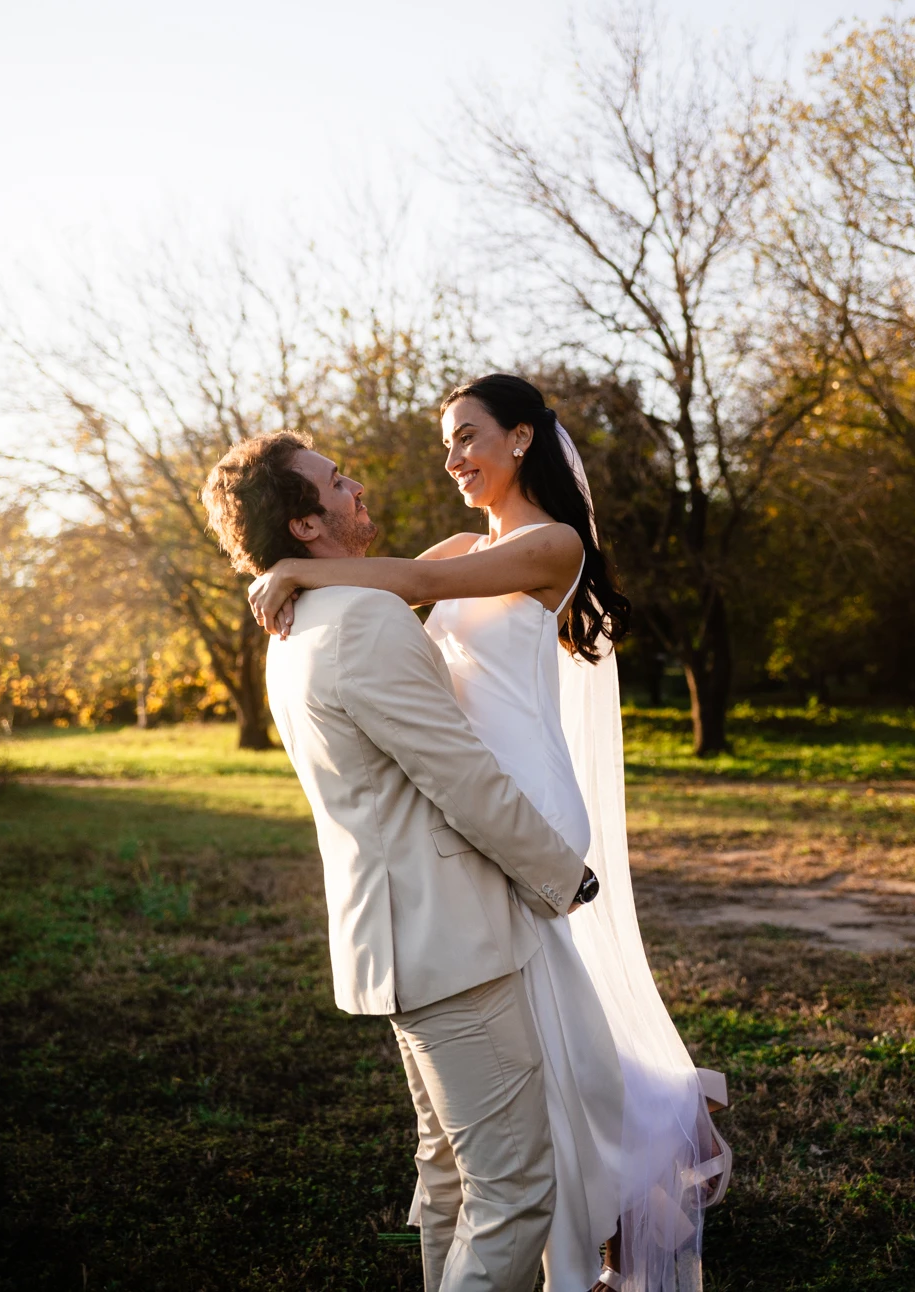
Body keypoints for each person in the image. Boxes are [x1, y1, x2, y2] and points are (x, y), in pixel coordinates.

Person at [248, 375, 731, 1292]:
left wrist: (301, 568)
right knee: (547, 1038)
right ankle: (592, 1193)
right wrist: (302, 576)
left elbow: (418, 584)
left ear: (520, 439)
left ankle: (624, 1167)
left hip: (529, 801)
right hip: (484, 798)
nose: (453, 457)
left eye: (468, 436)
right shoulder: (470, 541)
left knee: (552, 1029)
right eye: (445, 444)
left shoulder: (551, 545)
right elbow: (389, 598)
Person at [201, 430, 599, 1292]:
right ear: (307, 526)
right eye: (335, 483)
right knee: (513, 1193)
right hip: (449, 943)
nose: (356, 487)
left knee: (450, 1178)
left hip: (392, 941)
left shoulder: (294, 622)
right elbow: (457, 774)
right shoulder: (364, 618)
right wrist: (563, 875)